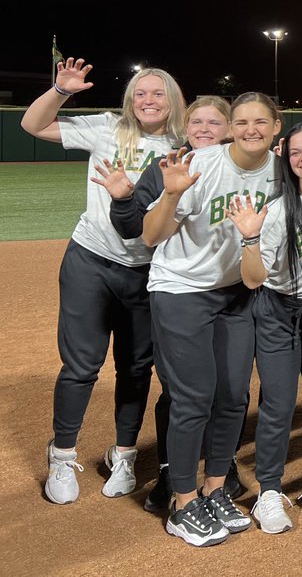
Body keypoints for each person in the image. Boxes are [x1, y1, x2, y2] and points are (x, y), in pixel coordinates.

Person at [23, 56, 185, 506]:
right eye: (140, 92)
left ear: (172, 101)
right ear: (130, 100)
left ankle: (126, 452)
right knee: (81, 365)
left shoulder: (186, 143)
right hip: (91, 260)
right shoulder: (107, 127)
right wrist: (62, 91)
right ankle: (62, 453)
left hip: (150, 269)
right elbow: (34, 126)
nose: (148, 100)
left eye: (157, 92)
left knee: (136, 367)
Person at [142, 92, 281, 547]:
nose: (251, 130)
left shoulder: (280, 173)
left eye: (261, 121)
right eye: (241, 122)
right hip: (181, 289)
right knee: (194, 397)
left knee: (234, 396)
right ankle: (182, 504)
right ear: (230, 127)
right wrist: (171, 193)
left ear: (277, 127)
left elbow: (259, 263)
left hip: (235, 293)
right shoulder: (202, 163)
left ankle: (215, 489)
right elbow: (151, 236)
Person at [95, 95, 234, 512]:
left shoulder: (244, 164)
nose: (204, 129)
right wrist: (123, 199)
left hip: (232, 291)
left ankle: (216, 472)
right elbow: (137, 227)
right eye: (197, 122)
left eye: (214, 122)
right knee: (181, 388)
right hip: (180, 289)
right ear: (186, 128)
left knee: (223, 386)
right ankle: (172, 477)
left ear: (228, 128)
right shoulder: (169, 166)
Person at [222, 122, 302, 534]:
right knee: (276, 404)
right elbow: (254, 279)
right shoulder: (276, 210)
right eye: (295, 152)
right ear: (286, 160)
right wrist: (251, 239)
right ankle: (270, 490)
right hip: (279, 312)